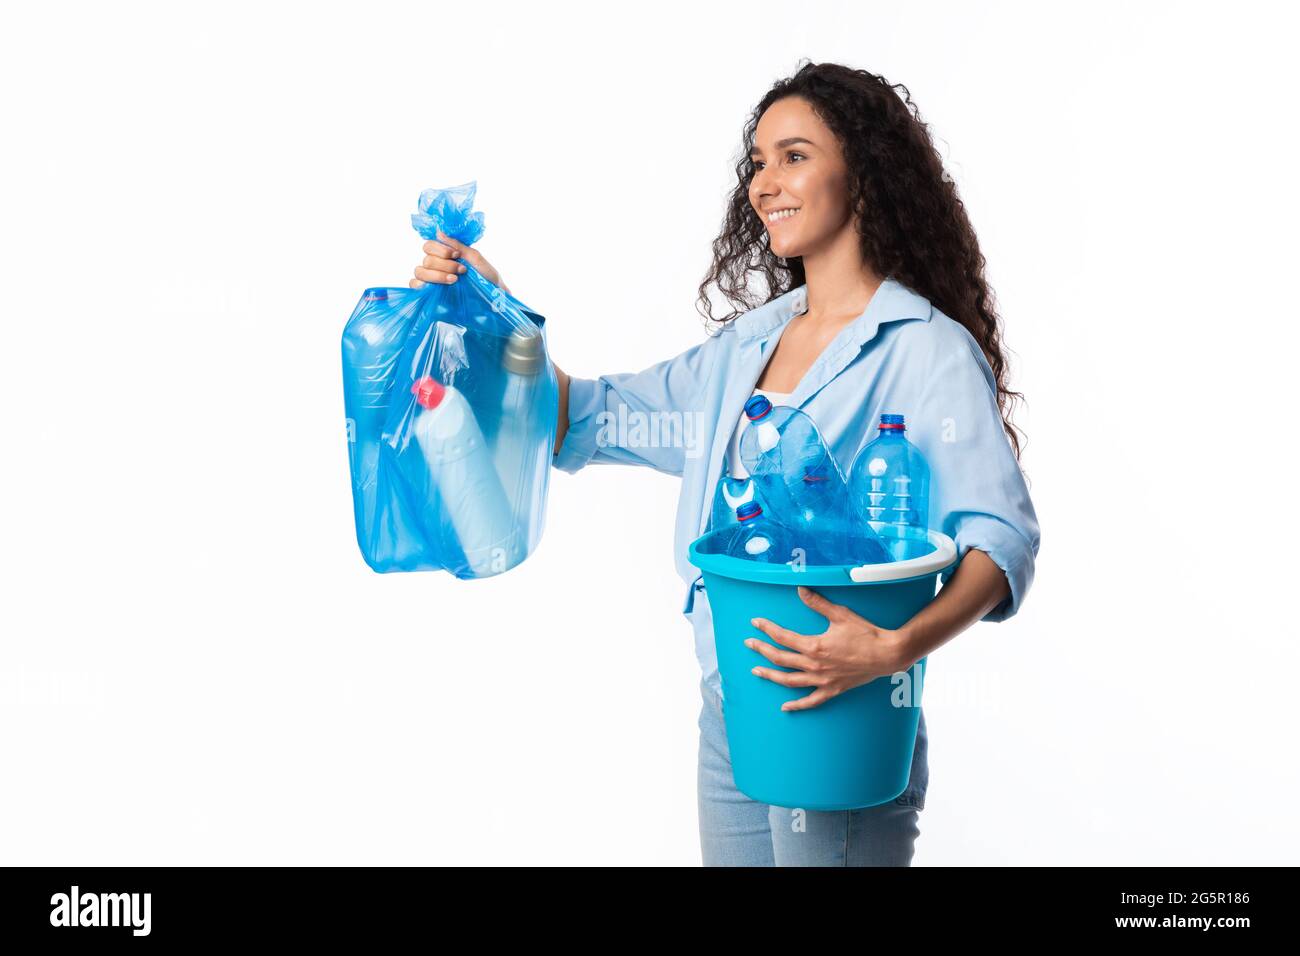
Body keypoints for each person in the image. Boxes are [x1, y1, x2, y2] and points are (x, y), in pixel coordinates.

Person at [409, 61, 1041, 866]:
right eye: (758, 161)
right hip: (732, 708)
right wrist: (493, 311)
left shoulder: (924, 350)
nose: (763, 182)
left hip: (840, 704)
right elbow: (593, 416)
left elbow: (1002, 541)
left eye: (794, 155)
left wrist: (894, 648)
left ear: (865, 172)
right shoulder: (749, 346)